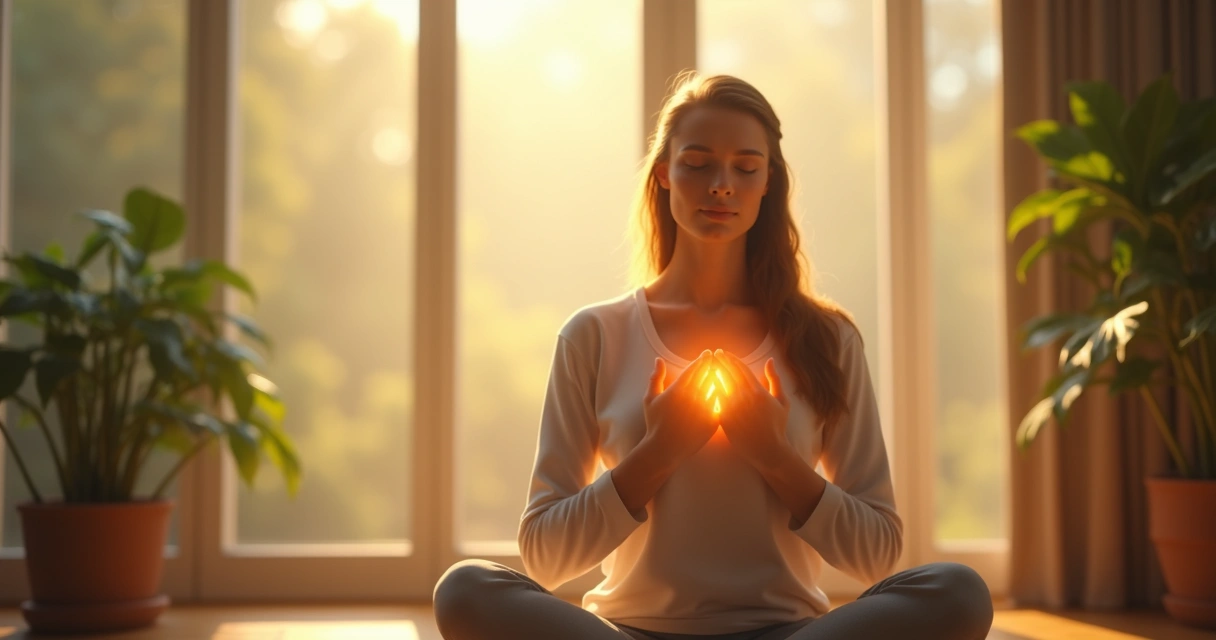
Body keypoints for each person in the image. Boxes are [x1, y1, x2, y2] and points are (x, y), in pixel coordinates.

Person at [433, 72, 994, 640]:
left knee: (957, 591)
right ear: (663, 176)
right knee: (465, 588)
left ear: (767, 182)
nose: (721, 185)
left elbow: (877, 555)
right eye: (697, 164)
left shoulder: (828, 338)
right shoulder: (593, 336)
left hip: (788, 632)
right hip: (628, 634)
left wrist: (773, 454)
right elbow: (546, 558)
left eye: (745, 168)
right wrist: (661, 450)